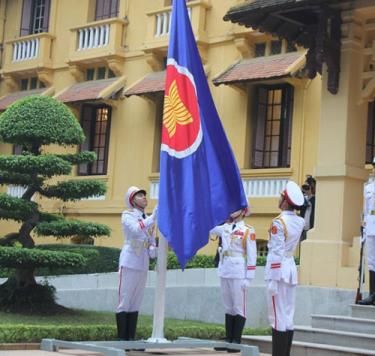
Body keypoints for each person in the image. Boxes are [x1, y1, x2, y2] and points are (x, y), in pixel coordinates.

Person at [266, 181, 305, 356]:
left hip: (279, 271)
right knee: (288, 315)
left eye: (281, 197)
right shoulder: (300, 221)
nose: (279, 199)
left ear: (285, 202)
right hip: (290, 268)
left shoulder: (279, 222)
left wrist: (273, 279)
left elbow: (276, 252)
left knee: (277, 316)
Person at [210, 207, 257, 353]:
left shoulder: (248, 230)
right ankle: (229, 339)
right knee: (228, 305)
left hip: (238, 271)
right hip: (225, 269)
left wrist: (249, 277)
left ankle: (236, 340)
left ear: (243, 211)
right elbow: (210, 227)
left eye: (236, 208)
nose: (232, 210)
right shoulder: (225, 227)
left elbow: (252, 255)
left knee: (238, 306)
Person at [115, 186, 158, 341]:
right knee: (125, 299)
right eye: (140, 195)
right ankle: (122, 339)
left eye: (145, 195)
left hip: (142, 262)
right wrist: (152, 218)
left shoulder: (148, 218)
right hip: (130, 260)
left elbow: (151, 239)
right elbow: (134, 230)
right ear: (132, 199)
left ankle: (130, 339)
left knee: (136, 301)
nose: (144, 197)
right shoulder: (128, 214)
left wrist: (153, 248)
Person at [358, 157, 375, 306]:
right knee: (371, 262)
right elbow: (365, 210)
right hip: (370, 228)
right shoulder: (368, 188)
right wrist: (363, 228)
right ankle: (372, 294)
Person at [299, 175, 316, 242]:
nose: (306, 188)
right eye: (305, 187)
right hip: (303, 229)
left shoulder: (316, 199)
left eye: (307, 187)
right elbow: (297, 207)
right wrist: (301, 192)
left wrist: (310, 195)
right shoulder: (303, 199)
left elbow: (312, 204)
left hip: (311, 230)